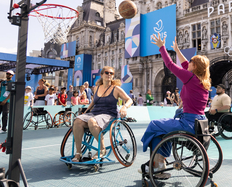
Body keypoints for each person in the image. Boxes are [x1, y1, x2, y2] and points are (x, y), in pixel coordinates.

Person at [139, 34, 210, 178]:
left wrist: (161, 47)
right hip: (199, 122)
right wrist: (177, 50)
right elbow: (185, 66)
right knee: (161, 130)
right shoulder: (201, 80)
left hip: (188, 123)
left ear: (195, 66)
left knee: (154, 125)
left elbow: (171, 65)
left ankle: (156, 163)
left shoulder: (190, 78)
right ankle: (159, 162)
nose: (188, 63)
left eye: (191, 62)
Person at [72, 66, 132, 162]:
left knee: (92, 121)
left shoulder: (116, 89)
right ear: (102, 74)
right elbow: (93, 102)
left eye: (111, 73)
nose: (109, 75)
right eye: (107, 72)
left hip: (109, 115)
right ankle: (78, 152)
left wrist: (125, 107)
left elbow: (129, 100)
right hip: (95, 113)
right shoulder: (96, 88)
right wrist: (86, 111)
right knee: (78, 120)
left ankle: (102, 149)